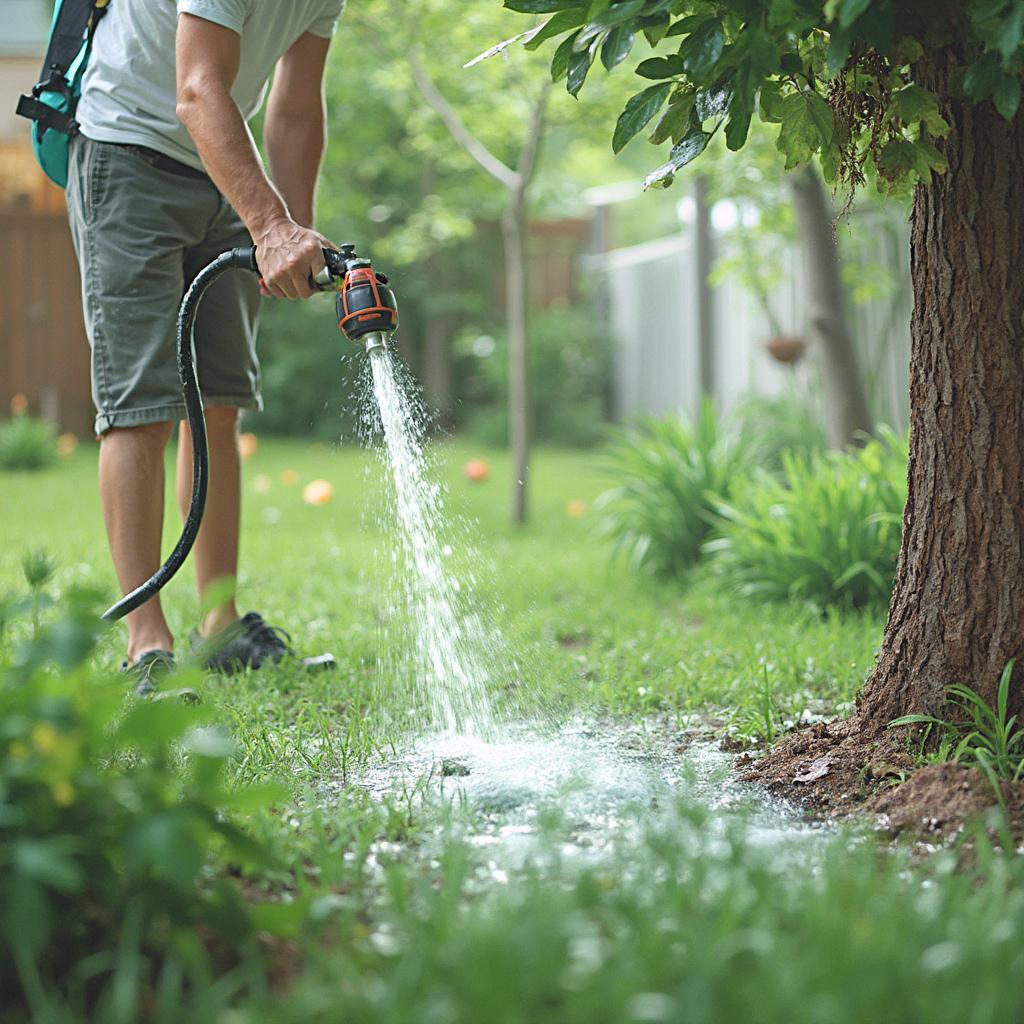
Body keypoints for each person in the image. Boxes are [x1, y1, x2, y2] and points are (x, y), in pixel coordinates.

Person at [67, 0, 345, 693]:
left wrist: (295, 232)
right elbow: (196, 88)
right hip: (127, 149)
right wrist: (270, 226)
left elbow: (296, 106)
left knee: (219, 401)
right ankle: (146, 641)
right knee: (142, 405)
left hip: (223, 160)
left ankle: (218, 627)